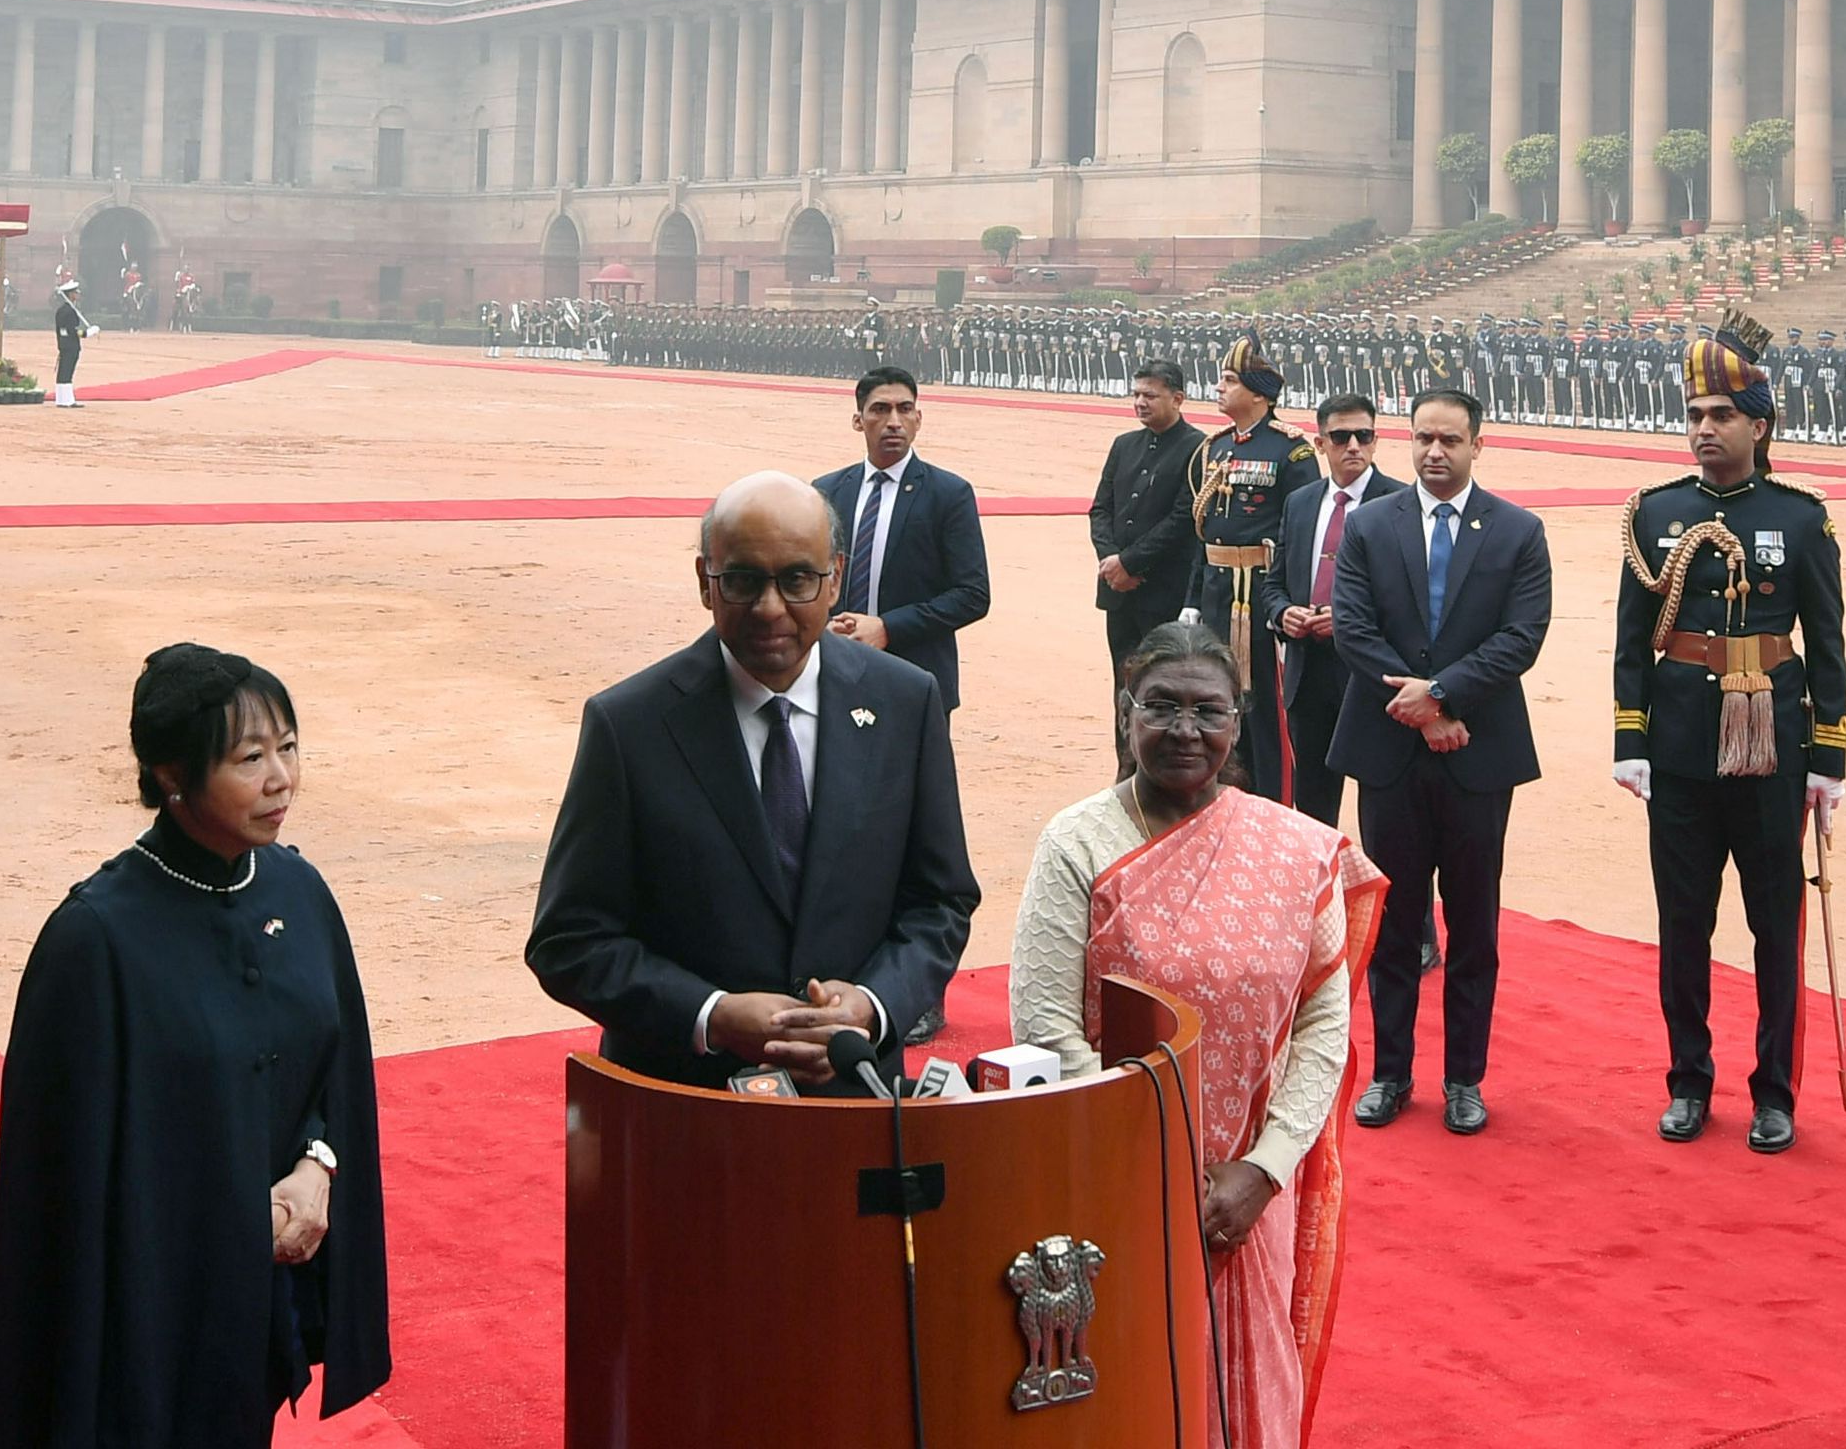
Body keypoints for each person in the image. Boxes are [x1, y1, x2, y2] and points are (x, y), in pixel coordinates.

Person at [0, 644, 390, 1445]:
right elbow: (59, 1198)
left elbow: (331, 1076)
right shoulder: (95, 940)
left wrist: (318, 1165)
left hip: (254, 1300)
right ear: (172, 774)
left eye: (288, 747)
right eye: (250, 758)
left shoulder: (299, 891)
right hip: (142, 1326)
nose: (281, 778)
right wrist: (227, 1215)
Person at [1010, 623, 1382, 1449]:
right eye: (1162, 707)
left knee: (1249, 1394)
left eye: (1208, 711)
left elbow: (1324, 1020)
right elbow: (1044, 1022)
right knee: (1132, 1393)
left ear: (1237, 722)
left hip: (1246, 1195)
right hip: (1115, 1178)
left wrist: (1266, 1167)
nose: (1185, 730)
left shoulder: (1292, 848)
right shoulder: (1078, 841)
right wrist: (1153, 1159)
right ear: (1125, 714)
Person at [526, 473, 980, 1084]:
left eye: (797, 579)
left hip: (852, 1099)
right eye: (742, 581)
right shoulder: (629, 725)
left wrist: (872, 1007)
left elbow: (940, 901)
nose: (770, 609)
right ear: (705, 581)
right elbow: (568, 940)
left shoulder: (906, 703)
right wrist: (710, 1016)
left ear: (835, 578)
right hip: (686, 1106)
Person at [1614, 314, 1846, 1152]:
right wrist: (1630, 738)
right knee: (1685, 925)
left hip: (1773, 748)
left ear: (1759, 424)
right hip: (1680, 747)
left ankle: (1774, 1092)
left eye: (1721, 415)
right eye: (1694, 415)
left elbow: (1827, 643)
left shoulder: (1801, 518)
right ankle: (1688, 1081)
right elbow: (1631, 639)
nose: (1704, 429)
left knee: (1774, 927)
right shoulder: (1656, 513)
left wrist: (1828, 759)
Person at [1327, 385, 1550, 1137]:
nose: (1434, 452)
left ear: (1477, 445)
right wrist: (1421, 709)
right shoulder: (1370, 525)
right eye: (1424, 437)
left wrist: (1445, 696)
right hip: (1389, 752)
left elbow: (1521, 637)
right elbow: (1353, 628)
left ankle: (1464, 1080)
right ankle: (1391, 1074)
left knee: (1473, 925)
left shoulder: (1517, 531)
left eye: (1450, 440)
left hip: (1477, 755)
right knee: (1394, 924)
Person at [811, 361, 993, 708]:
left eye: (904, 409)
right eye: (880, 409)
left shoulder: (948, 494)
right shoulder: (827, 492)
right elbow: (810, 578)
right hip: (835, 671)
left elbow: (972, 595)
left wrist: (887, 628)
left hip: (916, 679)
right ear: (858, 421)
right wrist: (824, 628)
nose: (894, 421)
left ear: (918, 419)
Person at [1262, 397, 1407, 827]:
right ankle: (1318, 871)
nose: (1354, 446)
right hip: (1308, 670)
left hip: (1372, 674)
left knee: (1382, 800)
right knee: (1312, 801)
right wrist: (1282, 613)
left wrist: (1348, 619)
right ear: (1321, 443)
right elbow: (1275, 581)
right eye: (1341, 437)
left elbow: (1409, 596)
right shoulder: (1301, 502)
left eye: (1364, 435)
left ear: (1376, 440)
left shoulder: (1401, 502)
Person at [1191, 340, 1320, 795]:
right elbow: (1204, 530)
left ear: (1260, 394)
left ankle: (1274, 801)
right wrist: (1192, 601)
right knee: (1216, 699)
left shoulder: (1292, 450)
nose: (1219, 388)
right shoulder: (1216, 447)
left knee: (1266, 708)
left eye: (1230, 381)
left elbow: (1302, 533)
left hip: (1262, 594)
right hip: (1217, 594)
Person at [1087, 363, 1206, 678]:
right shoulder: (1124, 444)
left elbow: (1183, 518)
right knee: (1123, 682)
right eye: (1136, 394)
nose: (1140, 402)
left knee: (1163, 681)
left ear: (1177, 399)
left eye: (1150, 396)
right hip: (1118, 589)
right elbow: (1101, 509)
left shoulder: (1198, 448)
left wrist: (1129, 563)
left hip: (1164, 590)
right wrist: (1111, 562)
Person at [52, 282, 89, 402]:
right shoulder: (68, 311)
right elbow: (71, 330)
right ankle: (65, 400)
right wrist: (86, 333)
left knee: (65, 372)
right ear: (70, 294)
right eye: (75, 292)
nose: (77, 294)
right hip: (70, 345)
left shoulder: (65, 310)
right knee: (67, 372)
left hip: (65, 344)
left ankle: (63, 399)